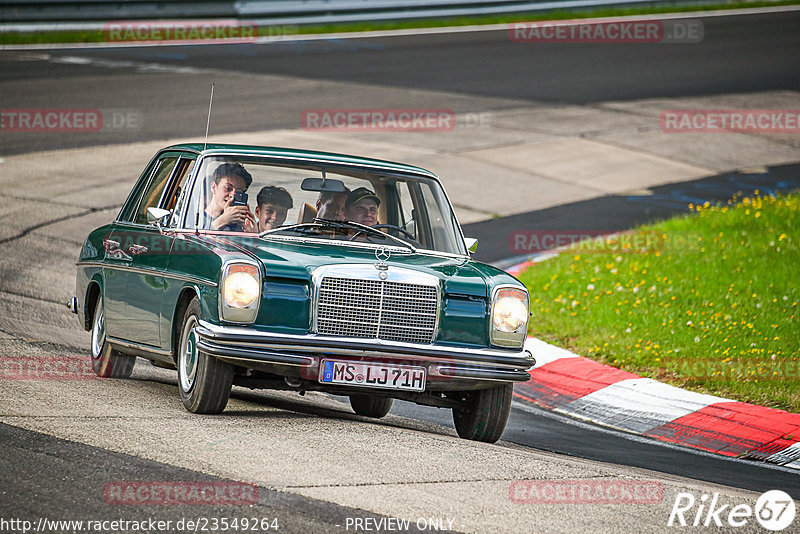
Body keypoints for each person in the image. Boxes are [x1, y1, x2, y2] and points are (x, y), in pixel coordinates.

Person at [202, 163, 256, 231]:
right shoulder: (197, 219)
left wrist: (253, 235)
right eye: (228, 188)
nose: (232, 195)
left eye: (239, 192)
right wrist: (222, 221)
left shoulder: (241, 225)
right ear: (213, 187)